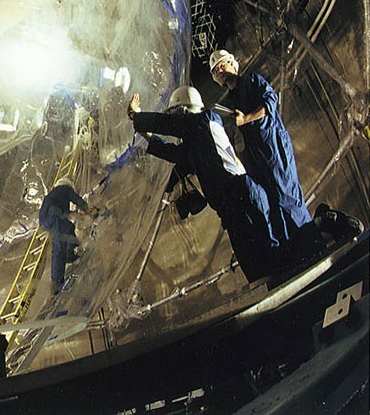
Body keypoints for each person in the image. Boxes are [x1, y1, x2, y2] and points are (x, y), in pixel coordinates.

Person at [128, 87, 279, 281]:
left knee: (266, 262)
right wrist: (144, 133)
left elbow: (168, 124)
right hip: (237, 201)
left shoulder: (203, 120)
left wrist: (137, 116)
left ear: (183, 111)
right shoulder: (202, 137)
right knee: (257, 264)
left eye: (176, 114)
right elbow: (174, 153)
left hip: (239, 197)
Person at [210, 50, 311, 250]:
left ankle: (309, 243)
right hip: (257, 158)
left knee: (287, 196)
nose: (220, 70)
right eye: (216, 70)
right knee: (273, 205)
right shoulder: (231, 100)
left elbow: (270, 102)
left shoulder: (252, 80)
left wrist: (246, 118)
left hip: (273, 149)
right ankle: (294, 251)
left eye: (222, 65)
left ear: (233, 63)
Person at [38, 178, 100, 293]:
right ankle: (56, 282)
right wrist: (87, 209)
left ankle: (69, 253)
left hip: (45, 220)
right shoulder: (65, 189)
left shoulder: (54, 195)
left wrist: (71, 215)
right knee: (58, 246)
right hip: (54, 215)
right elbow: (76, 200)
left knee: (69, 228)